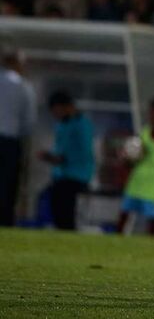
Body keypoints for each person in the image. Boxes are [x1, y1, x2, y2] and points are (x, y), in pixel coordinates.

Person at [40, 91, 95, 230]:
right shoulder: (62, 125)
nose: (55, 115)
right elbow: (60, 150)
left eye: (56, 111)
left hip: (76, 176)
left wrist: (60, 159)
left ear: (66, 107)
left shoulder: (82, 125)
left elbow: (83, 152)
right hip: (61, 175)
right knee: (56, 209)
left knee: (66, 212)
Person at [118, 100, 154, 235]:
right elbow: (132, 158)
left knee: (153, 220)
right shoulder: (142, 134)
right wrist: (127, 157)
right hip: (138, 180)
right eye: (151, 113)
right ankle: (116, 239)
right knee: (124, 213)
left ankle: (150, 243)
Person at [0, 43, 36, 226]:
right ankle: (5, 221)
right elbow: (28, 121)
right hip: (9, 141)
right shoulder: (23, 86)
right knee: (7, 185)